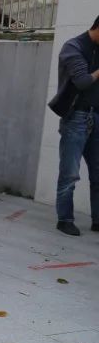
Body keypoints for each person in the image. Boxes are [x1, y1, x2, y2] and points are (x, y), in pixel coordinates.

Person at [51, 16, 99, 236]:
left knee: (98, 173)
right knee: (70, 172)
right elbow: (82, 81)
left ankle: (97, 220)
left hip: (97, 116)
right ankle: (65, 219)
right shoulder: (73, 47)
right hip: (76, 118)